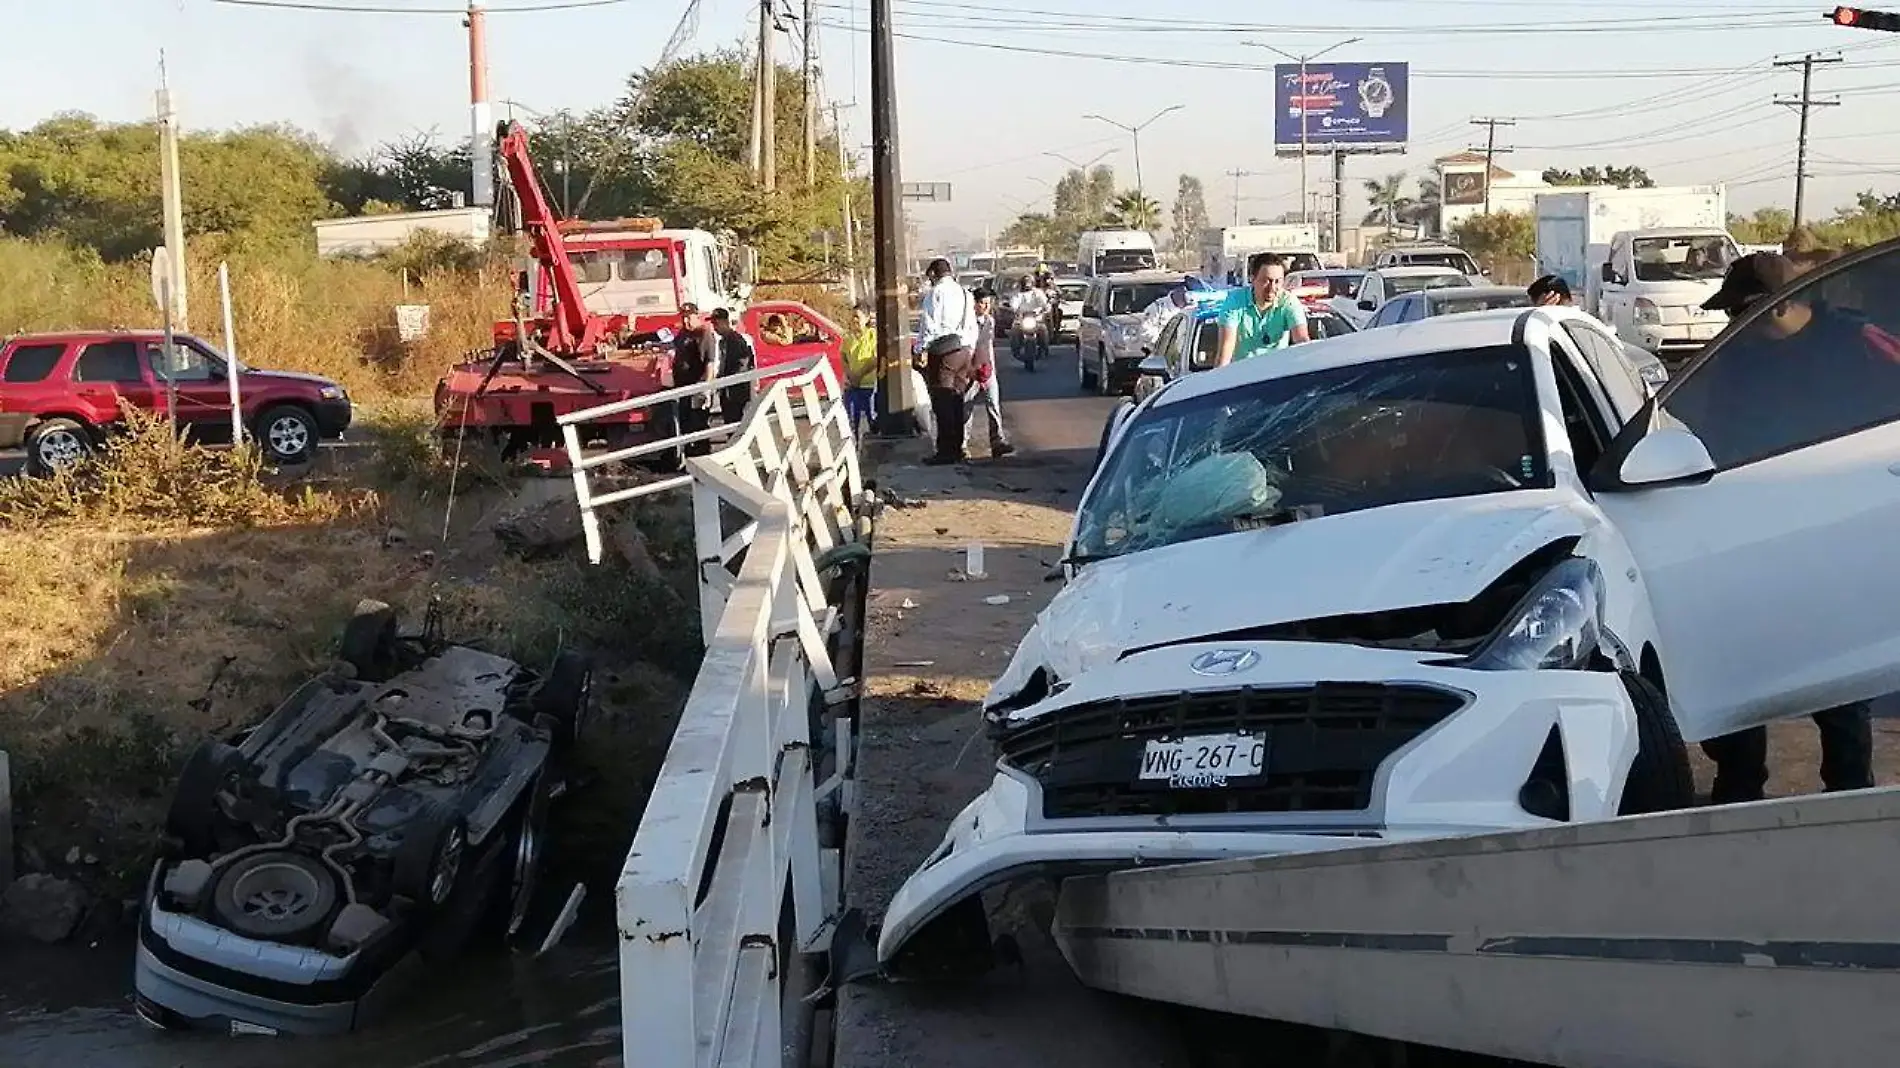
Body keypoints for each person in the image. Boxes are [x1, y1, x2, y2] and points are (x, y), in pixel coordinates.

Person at [1679, 251, 1888, 803]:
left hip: (1839, 527)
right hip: (1751, 529)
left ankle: (1848, 795)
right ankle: (1739, 788)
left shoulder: (1856, 343)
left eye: (1737, 314)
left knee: (1836, 671)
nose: (1730, 327)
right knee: (1742, 660)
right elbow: (1703, 436)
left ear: (1775, 306)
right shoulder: (1731, 363)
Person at [914, 258, 979, 465]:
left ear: (933, 274)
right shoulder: (965, 293)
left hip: (944, 352)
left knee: (942, 401)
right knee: (957, 400)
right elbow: (972, 326)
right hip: (963, 351)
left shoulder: (935, 294)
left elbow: (929, 324)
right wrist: (970, 351)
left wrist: (920, 348)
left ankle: (945, 451)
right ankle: (958, 448)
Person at [1214, 252, 1310, 367]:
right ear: (1252, 279)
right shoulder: (1235, 301)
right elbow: (1225, 351)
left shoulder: (1288, 302)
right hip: (1242, 376)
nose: (1272, 288)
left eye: (1277, 281)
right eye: (1266, 281)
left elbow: (1302, 341)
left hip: (1278, 374)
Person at [964, 290, 1014, 457]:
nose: (985, 306)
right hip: (971, 370)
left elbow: (988, 347)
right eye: (981, 303)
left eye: (987, 303)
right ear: (974, 304)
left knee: (993, 405)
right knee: (967, 408)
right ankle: (962, 444)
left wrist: (990, 368)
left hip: (987, 369)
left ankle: (997, 441)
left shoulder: (989, 321)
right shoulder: (967, 323)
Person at [670, 303, 720, 457]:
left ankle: (703, 456)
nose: (686, 321)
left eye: (689, 317)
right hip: (682, 386)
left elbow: (709, 362)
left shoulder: (703, 334)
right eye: (683, 317)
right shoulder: (683, 333)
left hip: (696, 386)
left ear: (696, 316)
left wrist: (706, 388)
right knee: (685, 422)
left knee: (698, 422)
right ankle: (690, 455)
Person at [709, 307, 756, 429]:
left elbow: (743, 364)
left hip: (736, 392)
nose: (715, 327)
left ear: (725, 322)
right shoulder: (723, 341)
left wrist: (729, 380)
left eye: (716, 323)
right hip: (727, 392)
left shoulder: (736, 340)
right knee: (729, 423)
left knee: (736, 424)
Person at [842, 302, 879, 437]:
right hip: (852, 386)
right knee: (851, 421)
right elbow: (844, 357)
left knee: (872, 419)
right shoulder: (848, 338)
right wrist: (850, 375)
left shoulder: (873, 336)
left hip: (868, 385)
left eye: (858, 317)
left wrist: (860, 375)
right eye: (853, 317)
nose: (854, 320)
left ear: (867, 318)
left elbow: (875, 359)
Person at [1138, 279, 1196, 347]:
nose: (1186, 293)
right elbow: (1145, 331)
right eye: (1184, 291)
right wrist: (1164, 342)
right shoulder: (1157, 308)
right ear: (1178, 290)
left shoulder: (1192, 308)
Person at [1009, 276, 1052, 363]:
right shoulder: (1018, 294)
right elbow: (1014, 304)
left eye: (1029, 282)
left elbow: (1044, 302)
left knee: (1043, 329)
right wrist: (1015, 310)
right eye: (1025, 283)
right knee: (1014, 330)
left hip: (1036, 318)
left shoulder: (1038, 293)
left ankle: (1044, 347)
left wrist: (1045, 308)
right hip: (1021, 318)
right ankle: (1015, 350)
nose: (1027, 285)